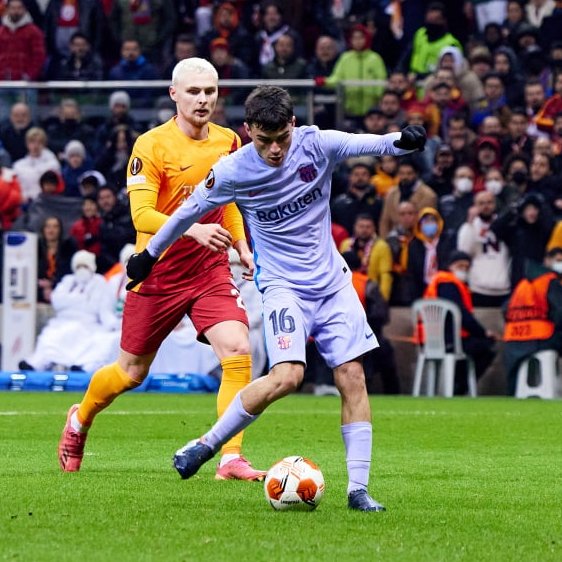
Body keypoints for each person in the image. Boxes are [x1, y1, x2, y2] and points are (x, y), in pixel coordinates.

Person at [126, 85, 426, 511]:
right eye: (264, 140)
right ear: (248, 130)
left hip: (333, 285)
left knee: (352, 376)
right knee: (287, 377)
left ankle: (358, 490)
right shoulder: (232, 171)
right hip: (283, 286)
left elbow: (371, 143)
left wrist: (403, 141)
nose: (274, 150)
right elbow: (186, 212)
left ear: (293, 125)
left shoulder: (316, 145)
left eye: (282, 138)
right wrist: (149, 255)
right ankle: (208, 444)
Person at [58, 58, 266, 483]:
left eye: (210, 91)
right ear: (174, 94)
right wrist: (193, 230)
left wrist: (241, 245)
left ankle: (230, 458)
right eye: (193, 91)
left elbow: (226, 201)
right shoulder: (151, 145)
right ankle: (80, 419)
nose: (203, 99)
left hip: (208, 270)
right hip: (157, 273)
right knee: (130, 372)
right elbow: (142, 216)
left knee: (237, 350)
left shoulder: (228, 141)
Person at [18, 249, 119, 372]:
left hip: (87, 324)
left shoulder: (99, 282)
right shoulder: (68, 280)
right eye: (79, 266)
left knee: (93, 340)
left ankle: (83, 365)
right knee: (48, 337)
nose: (82, 269)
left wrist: (113, 324)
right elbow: (57, 300)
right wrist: (81, 300)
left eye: (85, 266)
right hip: (61, 321)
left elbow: (102, 309)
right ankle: (36, 363)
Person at [423, 250, 497, 394]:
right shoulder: (448, 284)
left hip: (433, 338)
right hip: (448, 339)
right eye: (460, 266)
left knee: (475, 347)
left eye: (466, 267)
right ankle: (459, 387)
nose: (463, 270)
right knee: (486, 348)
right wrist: (483, 332)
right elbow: (461, 315)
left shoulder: (440, 282)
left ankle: (457, 385)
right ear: (450, 266)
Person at [503, 246, 562, 394]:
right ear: (546, 260)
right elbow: (560, 311)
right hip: (541, 338)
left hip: (513, 338)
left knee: (515, 383)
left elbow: (505, 309)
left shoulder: (522, 284)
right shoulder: (550, 281)